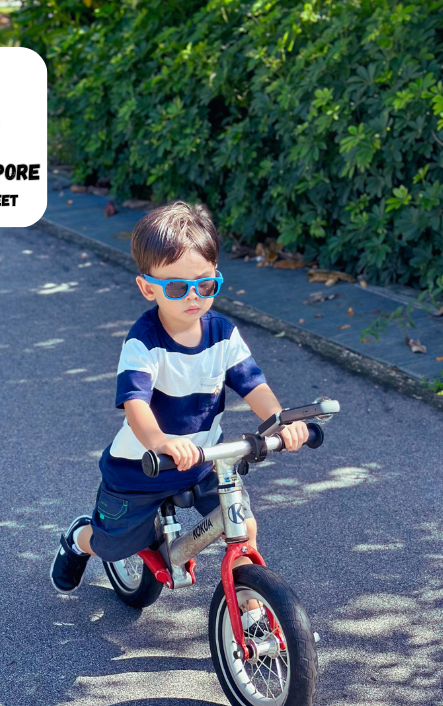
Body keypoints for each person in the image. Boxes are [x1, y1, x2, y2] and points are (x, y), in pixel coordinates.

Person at [50, 200, 309, 594]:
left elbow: (253, 383)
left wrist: (279, 421)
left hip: (204, 461)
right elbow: (135, 403)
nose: (193, 297)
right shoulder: (144, 341)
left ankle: (252, 607)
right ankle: (78, 539)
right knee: (113, 544)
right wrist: (160, 442)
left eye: (204, 284)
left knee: (244, 524)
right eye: (176, 287)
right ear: (147, 287)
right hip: (142, 466)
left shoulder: (222, 333)